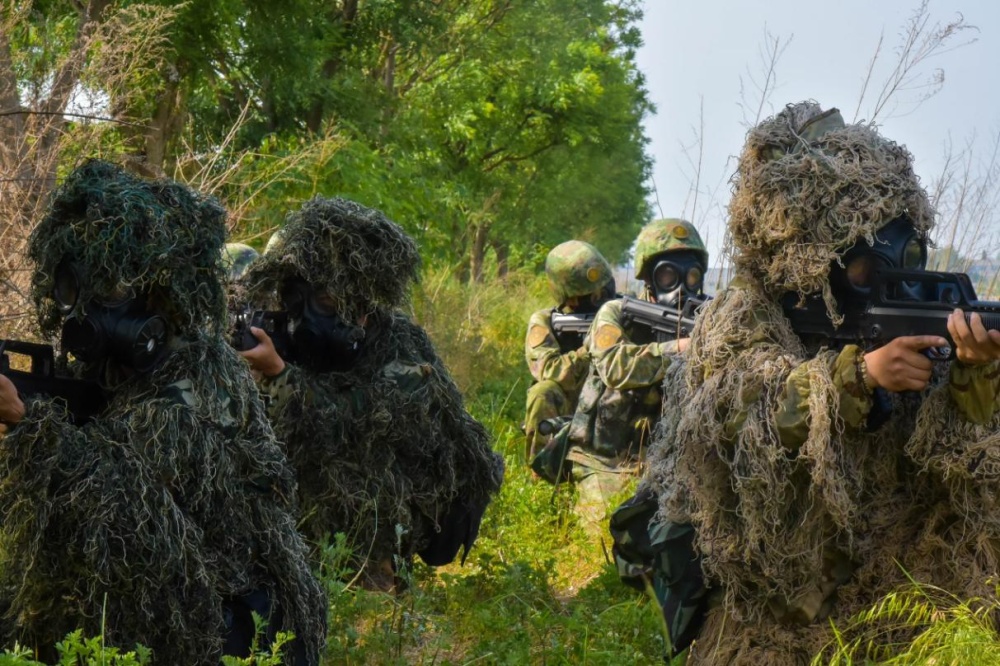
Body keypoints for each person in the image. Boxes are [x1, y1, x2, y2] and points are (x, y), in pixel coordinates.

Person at [645, 101, 1000, 664]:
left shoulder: (912, 307)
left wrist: (972, 372)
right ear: (810, 256)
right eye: (861, 264)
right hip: (783, 590)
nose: (883, 276)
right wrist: (858, 377)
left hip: (896, 569)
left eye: (899, 250)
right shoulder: (745, 313)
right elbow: (739, 409)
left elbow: (955, 459)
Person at [0, 160, 327, 664]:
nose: (88, 311)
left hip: (235, 623)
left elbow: (131, 518)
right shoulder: (120, 372)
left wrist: (29, 422)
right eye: (76, 291)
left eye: (111, 293)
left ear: (162, 293)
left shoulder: (193, 380)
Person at [237, 196, 505, 588]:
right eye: (331, 302)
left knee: (344, 465)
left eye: (360, 303)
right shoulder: (281, 329)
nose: (353, 317)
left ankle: (372, 577)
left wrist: (277, 372)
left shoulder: (403, 350)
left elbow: (349, 418)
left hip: (395, 505)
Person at [533, 219, 708, 532]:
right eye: (668, 274)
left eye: (692, 275)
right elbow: (615, 366)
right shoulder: (615, 313)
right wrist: (679, 348)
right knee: (603, 547)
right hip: (608, 462)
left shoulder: (710, 320)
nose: (681, 286)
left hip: (673, 465)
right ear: (649, 278)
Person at [523, 240, 615, 461]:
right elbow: (549, 369)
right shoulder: (544, 321)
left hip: (614, 399)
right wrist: (592, 347)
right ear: (566, 297)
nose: (596, 299)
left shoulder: (620, 313)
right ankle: (542, 467)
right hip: (571, 401)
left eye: (600, 293)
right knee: (542, 392)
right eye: (585, 297)